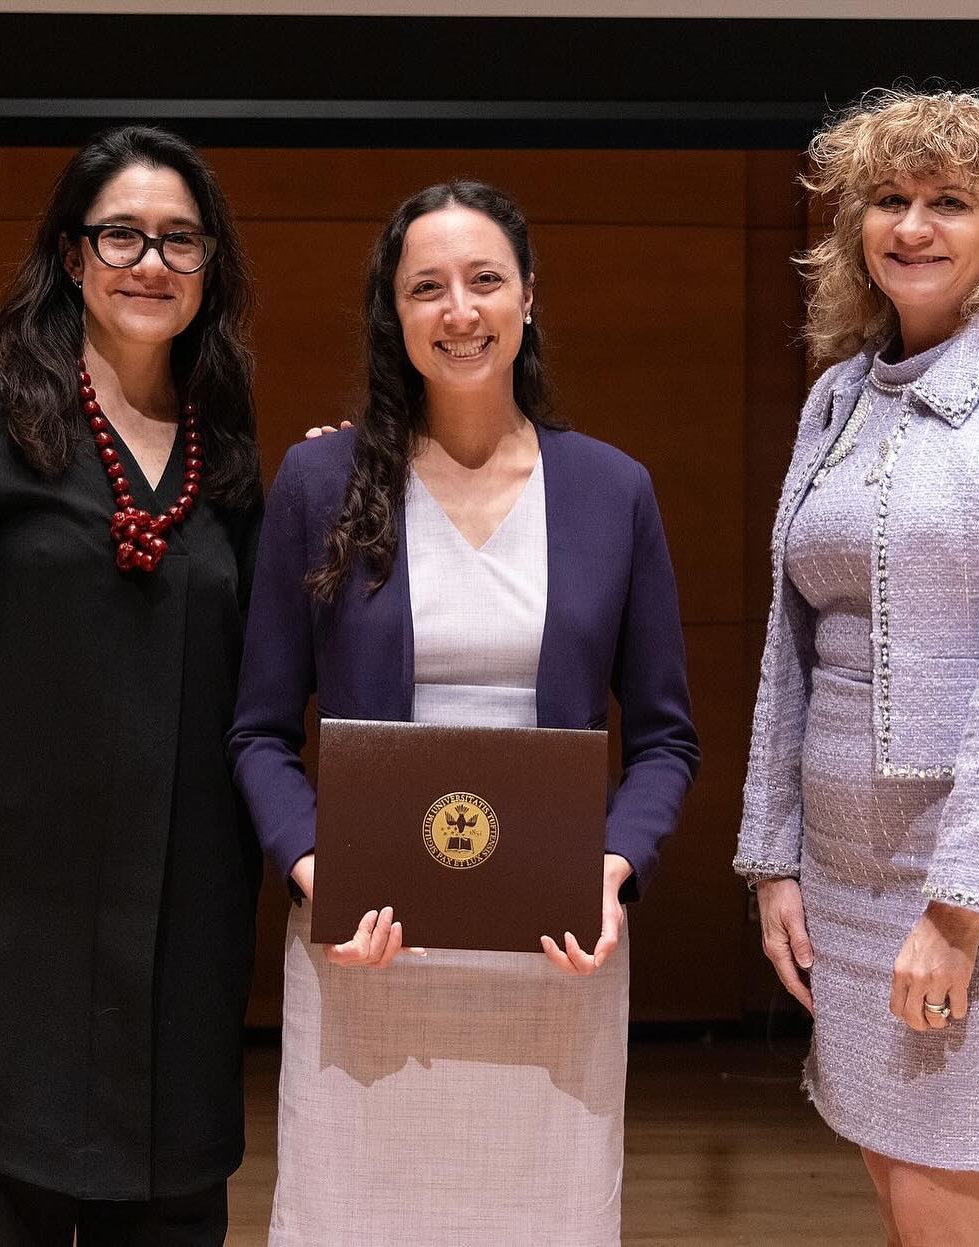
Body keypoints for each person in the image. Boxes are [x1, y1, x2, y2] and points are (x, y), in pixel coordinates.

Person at [228, 180, 699, 1246]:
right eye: (425, 287)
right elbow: (257, 728)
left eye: (484, 279)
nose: (459, 310)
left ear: (528, 295)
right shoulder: (321, 479)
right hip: (367, 949)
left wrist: (610, 867)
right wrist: (316, 868)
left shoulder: (611, 489)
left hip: (555, 949)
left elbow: (667, 736)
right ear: (392, 314)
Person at [736, 89, 979, 1245]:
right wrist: (772, 856)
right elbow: (786, 641)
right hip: (841, 847)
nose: (910, 226)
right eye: (887, 199)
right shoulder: (836, 393)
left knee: (945, 1185)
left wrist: (957, 907)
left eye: (949, 202)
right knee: (892, 1166)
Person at [0, 125, 263, 1245]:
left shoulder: (227, 450)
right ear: (73, 254)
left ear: (210, 266)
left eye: (180, 239)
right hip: (5, 924)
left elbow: (263, 670)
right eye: (122, 234)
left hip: (178, 925)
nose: (151, 261)